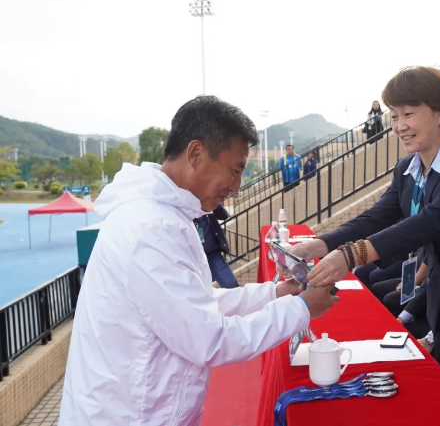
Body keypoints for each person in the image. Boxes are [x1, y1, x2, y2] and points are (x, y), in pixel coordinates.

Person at [59, 96, 338, 425]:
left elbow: (192, 302)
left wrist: (274, 293)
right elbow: (209, 339)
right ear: (195, 154)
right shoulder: (151, 228)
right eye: (234, 171)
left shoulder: (164, 214)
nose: (236, 187)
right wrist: (301, 308)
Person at [288, 66, 440, 426]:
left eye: (408, 113)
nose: (399, 125)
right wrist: (319, 244)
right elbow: (377, 216)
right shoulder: (408, 168)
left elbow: (433, 220)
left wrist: (354, 254)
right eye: (393, 116)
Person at [196, 204, 238, 288]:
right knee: (199, 289)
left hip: (213, 255)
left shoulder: (206, 203)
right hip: (193, 257)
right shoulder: (181, 207)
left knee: (230, 284)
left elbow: (223, 215)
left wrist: (214, 201)